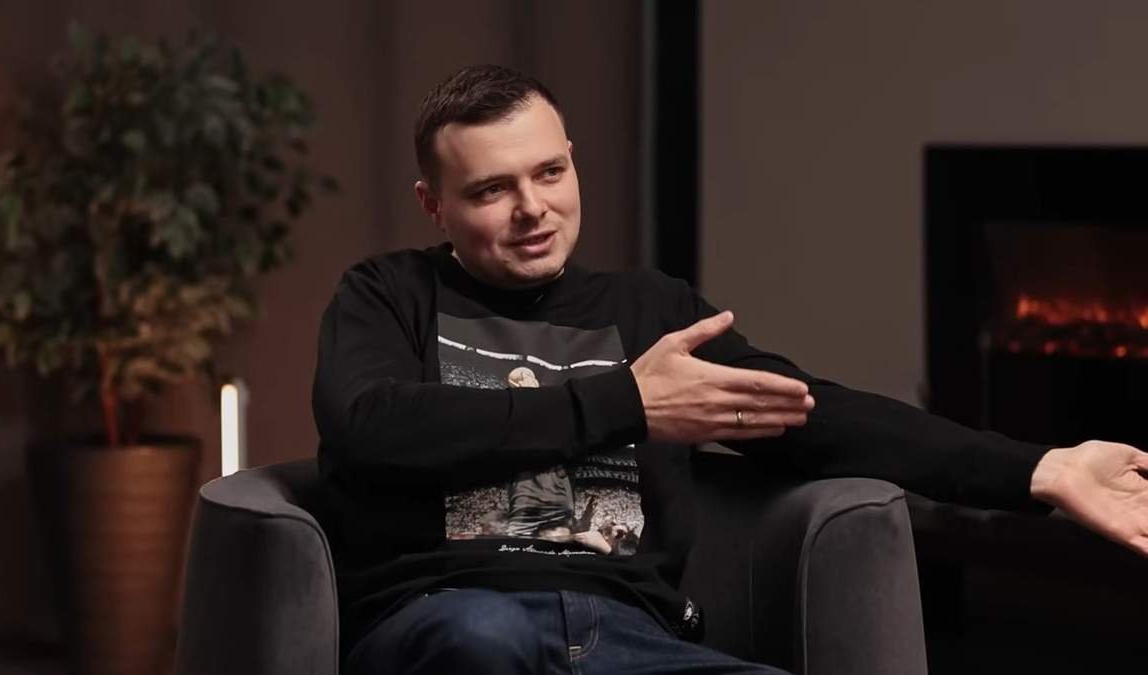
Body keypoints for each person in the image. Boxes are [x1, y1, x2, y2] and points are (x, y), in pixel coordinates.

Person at [311, 64, 1148, 675]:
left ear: (572, 160)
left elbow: (815, 416)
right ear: (434, 204)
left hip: (627, 633)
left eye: (551, 172)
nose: (534, 208)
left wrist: (1040, 468)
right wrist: (627, 400)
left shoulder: (650, 308)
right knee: (481, 643)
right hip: (453, 617)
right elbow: (369, 426)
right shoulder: (388, 294)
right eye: (492, 190)